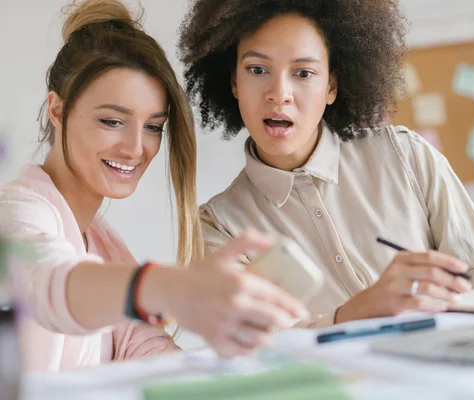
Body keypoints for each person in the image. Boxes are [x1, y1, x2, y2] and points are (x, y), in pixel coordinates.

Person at [0, 0, 306, 372]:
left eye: (152, 127)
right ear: (57, 110)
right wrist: (170, 288)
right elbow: (46, 285)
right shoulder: (17, 213)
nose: (134, 148)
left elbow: (144, 348)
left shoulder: (100, 241)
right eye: (112, 121)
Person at [178, 0, 474, 328]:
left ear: (331, 86)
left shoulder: (406, 156)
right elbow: (255, 345)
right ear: (234, 83)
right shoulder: (220, 227)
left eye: (303, 73)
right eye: (257, 69)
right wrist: (354, 312)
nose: (279, 93)